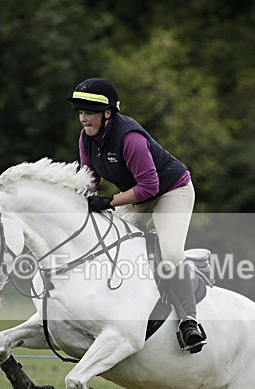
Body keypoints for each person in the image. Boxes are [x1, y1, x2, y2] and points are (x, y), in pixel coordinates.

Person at [68, 77, 207, 353]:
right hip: (137, 195)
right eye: (81, 112)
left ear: (108, 113)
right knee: (109, 244)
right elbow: (89, 181)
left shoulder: (130, 138)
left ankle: (189, 321)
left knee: (170, 254)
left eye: (89, 112)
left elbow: (150, 186)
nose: (84, 119)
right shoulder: (87, 139)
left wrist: (109, 201)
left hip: (171, 192)